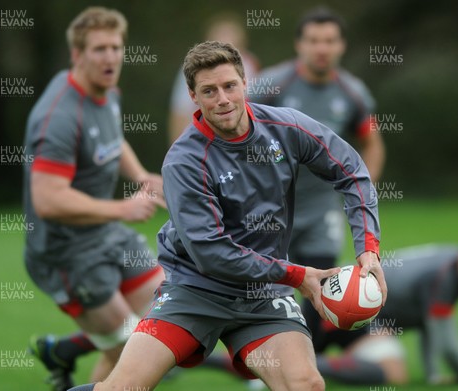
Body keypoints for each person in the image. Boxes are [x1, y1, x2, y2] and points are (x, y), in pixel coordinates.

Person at [68, 40, 385, 391]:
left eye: (229, 86)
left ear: (245, 83)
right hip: (195, 289)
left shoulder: (286, 129)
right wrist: (297, 275)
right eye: (209, 90)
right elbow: (212, 252)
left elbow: (352, 170)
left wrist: (368, 247)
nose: (222, 99)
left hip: (263, 293)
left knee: (306, 385)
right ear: (193, 96)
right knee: (123, 388)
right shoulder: (184, 161)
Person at [22, 7, 165, 390]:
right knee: (133, 350)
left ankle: (62, 352)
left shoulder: (106, 91)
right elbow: (48, 201)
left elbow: (112, 140)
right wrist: (124, 208)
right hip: (66, 255)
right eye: (100, 49)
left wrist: (141, 177)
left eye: (116, 47)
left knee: (167, 316)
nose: (111, 57)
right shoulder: (60, 117)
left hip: (104, 234)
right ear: (77, 55)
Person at [203, 232, 458, 386]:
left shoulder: (453, 263)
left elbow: (431, 325)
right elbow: (446, 336)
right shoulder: (447, 276)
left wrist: (432, 376)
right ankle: (260, 370)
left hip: (360, 318)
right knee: (287, 366)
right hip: (338, 310)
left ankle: (280, 369)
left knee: (394, 371)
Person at [250, 7, 385, 327]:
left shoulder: (353, 93)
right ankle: (259, 361)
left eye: (329, 41)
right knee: (263, 289)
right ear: (299, 44)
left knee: (325, 289)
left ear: (341, 46)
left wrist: (363, 189)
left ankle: (306, 361)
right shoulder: (271, 84)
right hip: (269, 207)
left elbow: (372, 143)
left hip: (322, 208)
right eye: (313, 40)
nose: (321, 48)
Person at [168, 13, 259, 144]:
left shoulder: (251, 64)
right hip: (204, 140)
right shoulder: (192, 68)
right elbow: (180, 112)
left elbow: (258, 106)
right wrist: (178, 148)